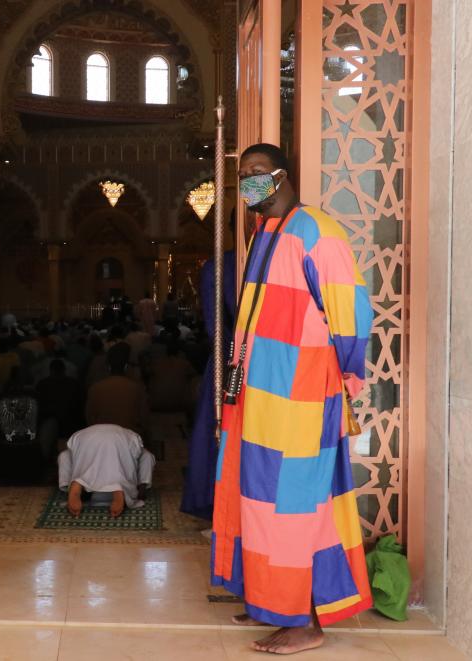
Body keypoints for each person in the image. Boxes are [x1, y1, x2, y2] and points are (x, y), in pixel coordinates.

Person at [211, 143, 373, 654]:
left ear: (282, 176)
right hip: (257, 397)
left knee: (295, 505)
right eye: (243, 175)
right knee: (254, 497)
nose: (249, 182)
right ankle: (267, 598)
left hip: (301, 397)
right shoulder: (264, 233)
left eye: (257, 173)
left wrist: (346, 379)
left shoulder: (319, 233)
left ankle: (303, 620)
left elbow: (352, 314)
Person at [181, 211, 237, 521]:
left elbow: (215, 330)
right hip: (273, 360)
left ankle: (224, 505)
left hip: (230, 362)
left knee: (224, 431)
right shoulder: (221, 267)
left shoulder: (218, 268)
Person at [58, 424, 155, 518]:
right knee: (146, 456)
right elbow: (147, 458)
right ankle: (119, 486)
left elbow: (65, 458)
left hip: (84, 436)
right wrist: (140, 493)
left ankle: (78, 483)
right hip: (123, 438)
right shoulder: (130, 434)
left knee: (65, 455)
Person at [85, 342, 148, 436]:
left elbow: (89, 419)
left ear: (108, 366)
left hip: (102, 437)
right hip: (129, 438)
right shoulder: (137, 388)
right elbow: (144, 420)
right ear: (126, 366)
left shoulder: (95, 388)